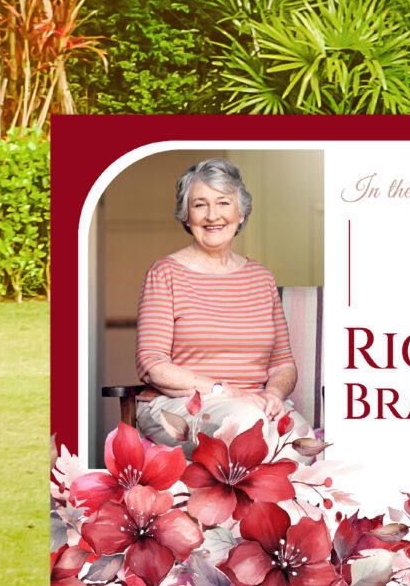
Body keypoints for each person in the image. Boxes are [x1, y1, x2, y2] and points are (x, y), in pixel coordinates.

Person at [134, 158, 313, 454]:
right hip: (184, 404)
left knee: (304, 444)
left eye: (223, 203)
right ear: (186, 215)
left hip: (255, 402)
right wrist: (227, 391)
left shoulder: (261, 278)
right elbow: (153, 365)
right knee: (246, 425)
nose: (212, 215)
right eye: (200, 205)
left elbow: (283, 363)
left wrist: (273, 393)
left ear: (240, 213)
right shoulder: (165, 273)